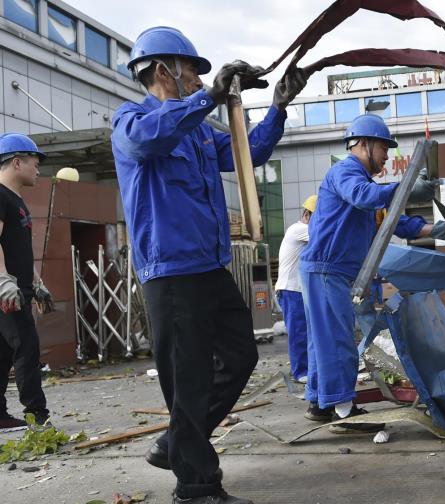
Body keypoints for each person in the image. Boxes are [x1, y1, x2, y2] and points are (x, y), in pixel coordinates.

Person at [111, 26, 306, 504]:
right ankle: (196, 487)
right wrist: (208, 99)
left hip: (210, 266)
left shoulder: (197, 129)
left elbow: (247, 152)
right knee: (191, 377)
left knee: (241, 355)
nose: (200, 83)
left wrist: (278, 108)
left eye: (204, 77)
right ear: (163, 71)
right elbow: (147, 142)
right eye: (194, 74)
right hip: (172, 272)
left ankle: (178, 440)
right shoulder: (131, 120)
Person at [299, 114, 445, 432]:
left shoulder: (364, 184)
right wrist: (405, 188)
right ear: (364, 144)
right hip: (326, 269)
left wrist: (440, 230)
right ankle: (344, 412)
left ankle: (320, 404)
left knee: (323, 340)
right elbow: (366, 198)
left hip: (332, 272)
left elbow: (396, 222)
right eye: (383, 148)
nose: (387, 156)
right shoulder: (346, 172)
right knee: (336, 340)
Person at [0, 133, 53, 431]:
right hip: (6, 291)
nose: (37, 169)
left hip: (16, 288)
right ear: (16, 162)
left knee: (4, 352)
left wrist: (37, 282)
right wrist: (3, 280)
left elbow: (18, 248)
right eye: (34, 162)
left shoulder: (15, 201)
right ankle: (38, 415)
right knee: (27, 348)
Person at [275, 195, 316, 385]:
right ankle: (300, 372)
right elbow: (327, 235)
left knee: (306, 331)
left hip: (297, 289)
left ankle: (306, 368)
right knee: (298, 331)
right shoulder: (299, 229)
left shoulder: (304, 230)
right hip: (291, 289)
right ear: (307, 214)